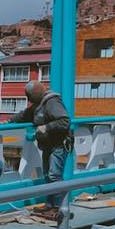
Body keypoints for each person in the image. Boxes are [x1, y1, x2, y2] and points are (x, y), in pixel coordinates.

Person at [10, 81, 71, 216]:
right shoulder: (39, 105)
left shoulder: (52, 103)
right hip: (47, 145)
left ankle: (59, 207)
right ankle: (50, 205)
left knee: (54, 175)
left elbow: (64, 121)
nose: (29, 100)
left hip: (58, 145)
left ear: (35, 95)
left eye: (29, 97)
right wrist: (10, 120)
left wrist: (47, 127)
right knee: (47, 177)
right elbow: (25, 114)